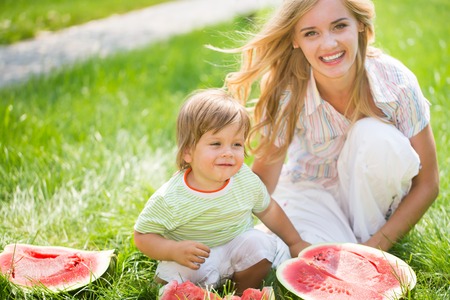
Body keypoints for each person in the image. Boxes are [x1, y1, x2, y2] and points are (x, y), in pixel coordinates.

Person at [220, 0, 439, 253]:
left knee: (372, 134)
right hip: (313, 193)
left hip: (376, 201)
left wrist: (375, 248)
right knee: (293, 256)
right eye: (311, 33)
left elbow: (428, 183)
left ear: (358, 24)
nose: (329, 44)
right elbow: (263, 182)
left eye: (339, 26)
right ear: (295, 40)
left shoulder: (396, 83)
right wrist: (205, 196)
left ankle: (367, 239)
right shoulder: (288, 91)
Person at [133, 89, 308, 294]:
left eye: (236, 144)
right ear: (188, 151)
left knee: (261, 244)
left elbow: (268, 210)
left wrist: (294, 241)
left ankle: (240, 292)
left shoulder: (244, 180)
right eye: (216, 144)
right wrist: (173, 250)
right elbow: (142, 235)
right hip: (192, 261)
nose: (228, 152)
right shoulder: (171, 197)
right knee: (171, 278)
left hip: (235, 251)